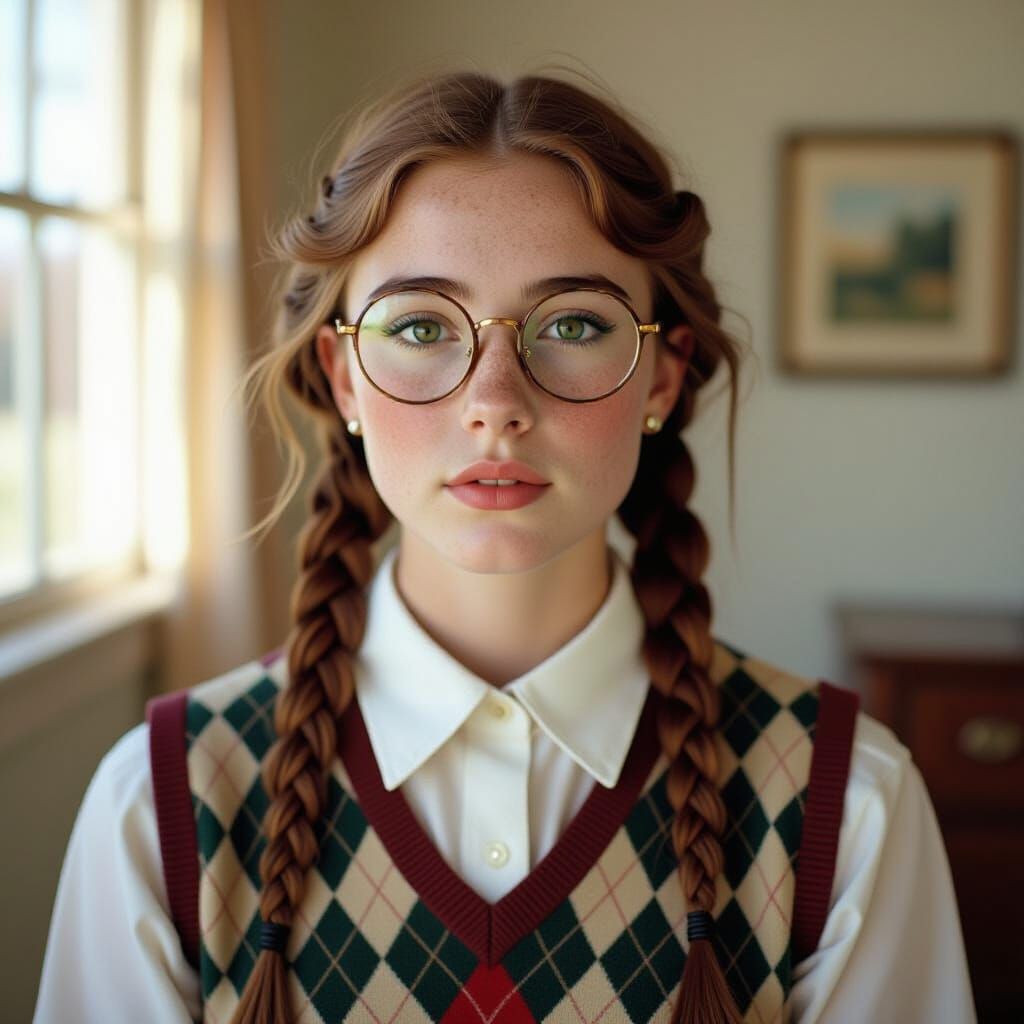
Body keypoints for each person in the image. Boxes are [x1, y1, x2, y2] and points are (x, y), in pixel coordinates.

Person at [33, 68, 976, 1024]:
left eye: (573, 324)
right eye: (419, 326)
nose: (495, 404)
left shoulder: (845, 807)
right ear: (344, 375)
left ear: (662, 376)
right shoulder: (162, 807)